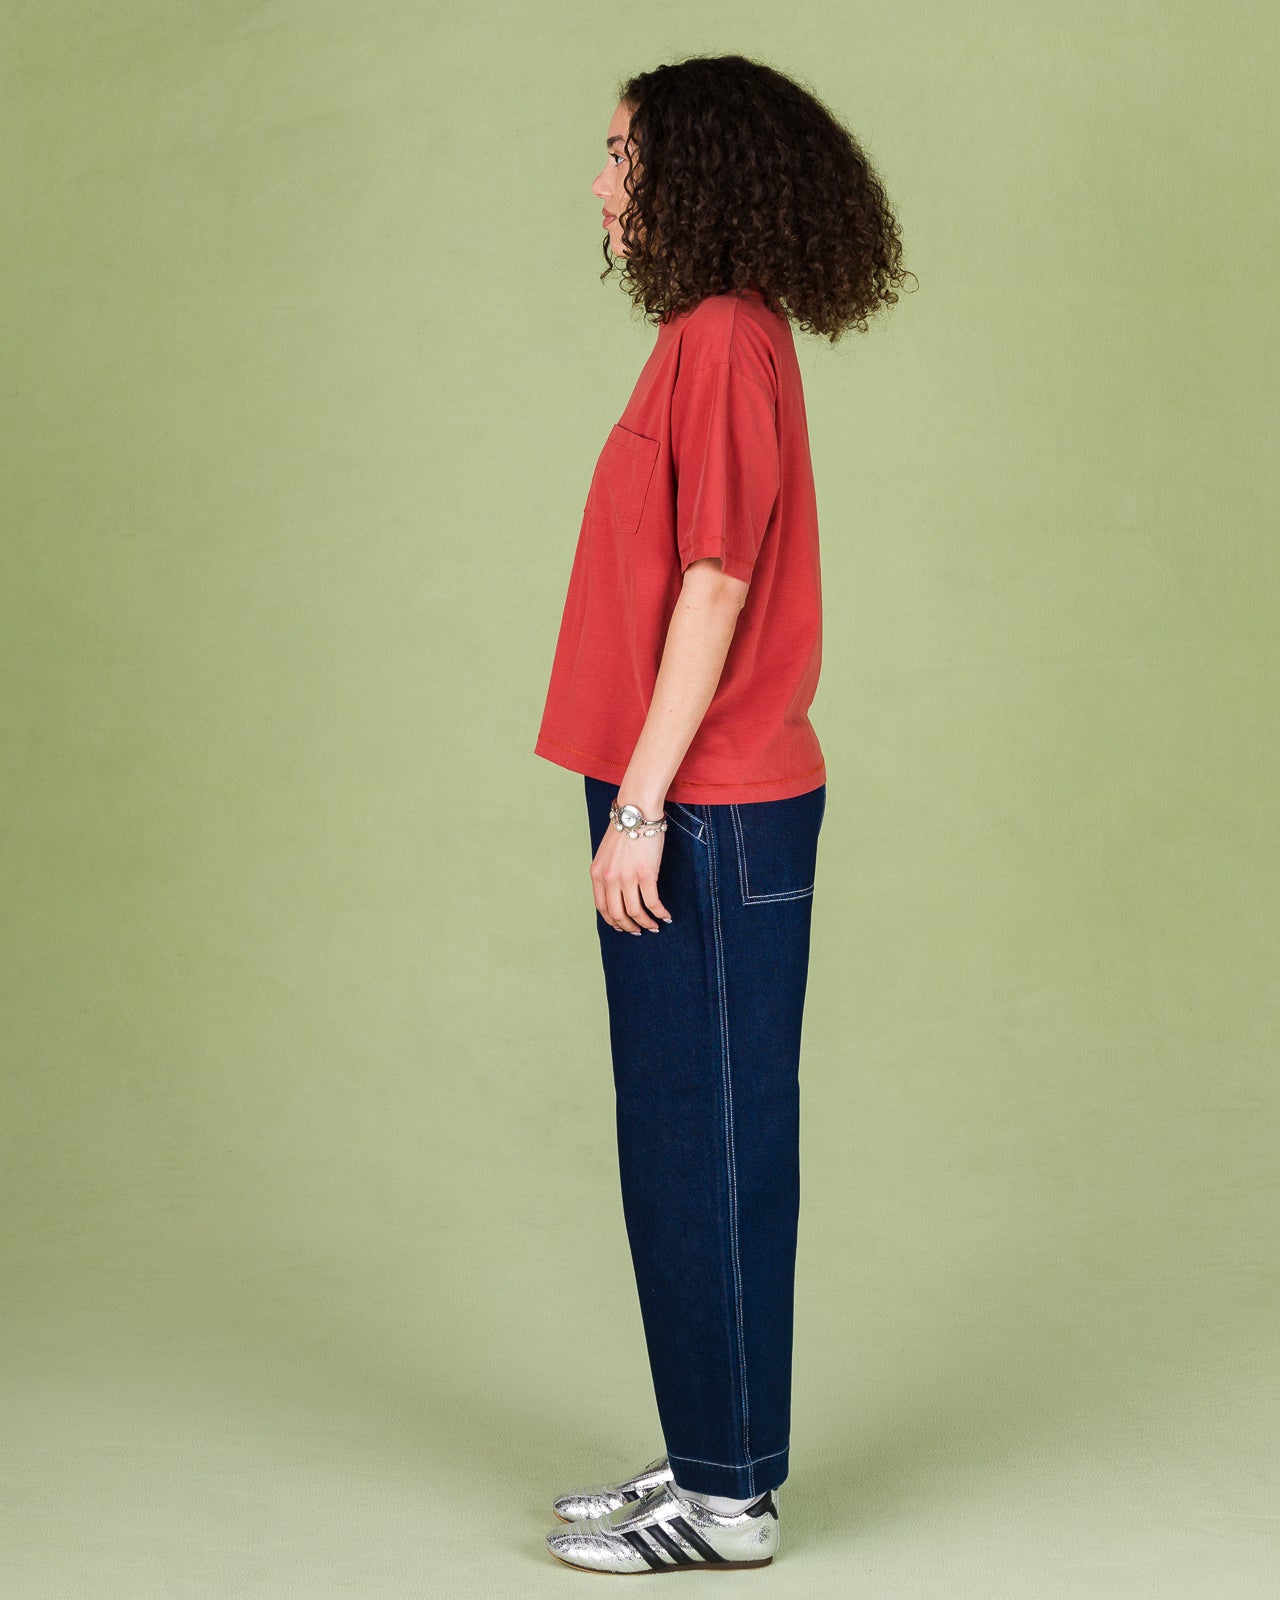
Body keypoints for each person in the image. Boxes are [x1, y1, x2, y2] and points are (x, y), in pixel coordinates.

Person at [533, 54, 909, 1575]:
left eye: (622, 157)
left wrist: (639, 806)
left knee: (714, 1147)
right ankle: (711, 1448)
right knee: (678, 1138)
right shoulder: (706, 338)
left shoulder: (723, 343)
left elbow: (715, 584)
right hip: (679, 798)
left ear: (694, 177)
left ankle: (731, 1500)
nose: (601, 185)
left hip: (706, 810)